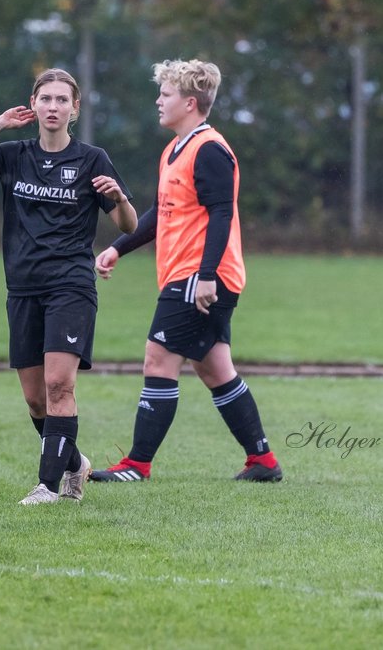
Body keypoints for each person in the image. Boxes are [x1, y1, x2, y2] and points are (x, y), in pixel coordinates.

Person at [0, 68, 138, 505]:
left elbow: (128, 225)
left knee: (58, 386)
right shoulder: (15, 155)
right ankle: (75, 464)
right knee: (36, 401)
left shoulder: (93, 160)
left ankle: (49, 487)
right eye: (45, 99)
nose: (53, 107)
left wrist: (121, 199)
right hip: (23, 288)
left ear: (75, 108)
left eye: (61, 100)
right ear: (33, 105)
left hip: (70, 285)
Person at [90, 59, 282, 484]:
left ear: (190, 103)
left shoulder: (210, 149)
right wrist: (118, 248)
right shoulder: (175, 149)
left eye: (166, 94)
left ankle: (136, 465)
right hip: (190, 274)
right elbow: (162, 214)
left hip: (200, 276)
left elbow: (220, 214)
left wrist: (208, 275)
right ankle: (263, 462)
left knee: (158, 357)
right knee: (214, 368)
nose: (158, 100)